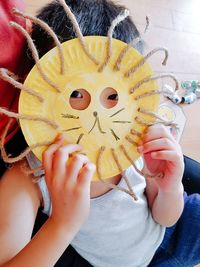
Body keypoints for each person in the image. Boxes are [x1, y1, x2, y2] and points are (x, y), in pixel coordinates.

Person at [0, 0, 200, 266]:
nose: (96, 112)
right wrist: (63, 223)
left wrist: (169, 187)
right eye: (75, 94)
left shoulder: (138, 138)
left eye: (113, 95)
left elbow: (166, 218)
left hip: (172, 232)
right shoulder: (29, 175)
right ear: (36, 92)